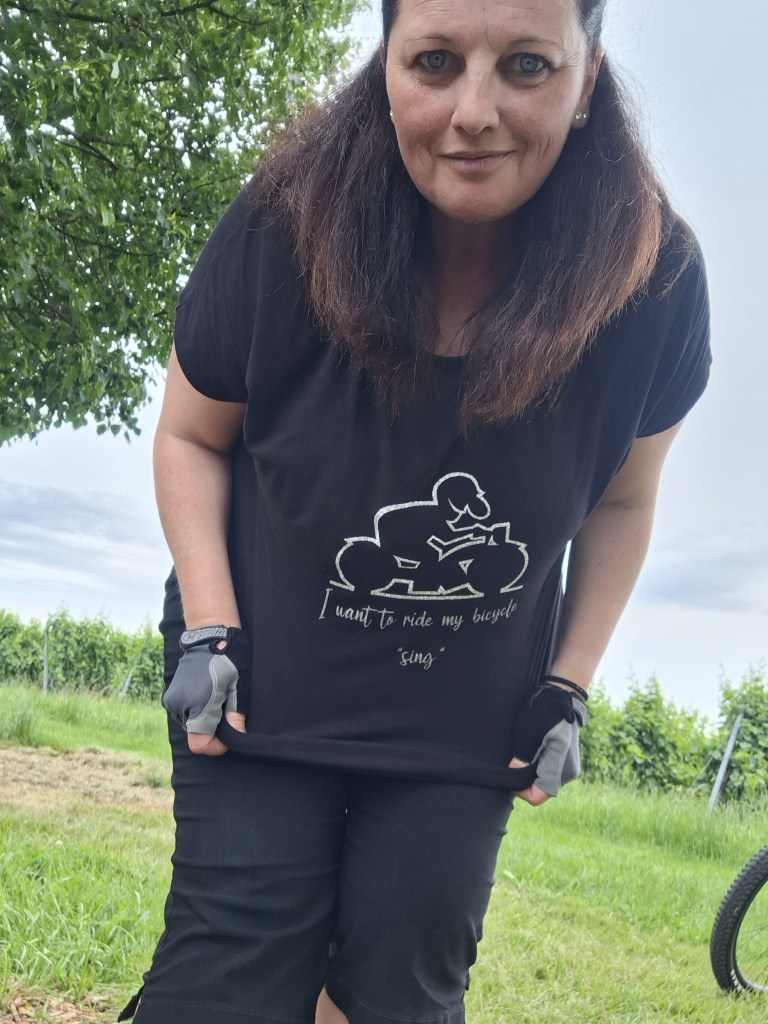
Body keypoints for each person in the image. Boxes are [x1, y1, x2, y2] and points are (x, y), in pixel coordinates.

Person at [120, 0, 711, 1021]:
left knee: (406, 974)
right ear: (386, 65)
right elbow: (190, 436)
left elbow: (622, 498)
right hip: (261, 672)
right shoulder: (281, 226)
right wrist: (210, 629)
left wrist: (567, 684)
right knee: (233, 965)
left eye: (526, 66)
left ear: (586, 79)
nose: (474, 110)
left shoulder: (653, 285)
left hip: (466, 711)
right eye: (435, 61)